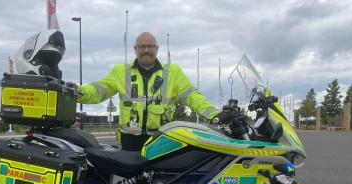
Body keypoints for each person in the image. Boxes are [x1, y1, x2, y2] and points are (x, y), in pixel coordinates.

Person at [78, 32, 237, 151]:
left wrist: (213, 114)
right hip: (130, 141)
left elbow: (192, 96)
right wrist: (74, 92)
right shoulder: (121, 72)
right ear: (135, 49)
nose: (146, 50)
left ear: (157, 49)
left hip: (162, 139)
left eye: (150, 46)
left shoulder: (172, 72)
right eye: (142, 46)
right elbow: (98, 91)